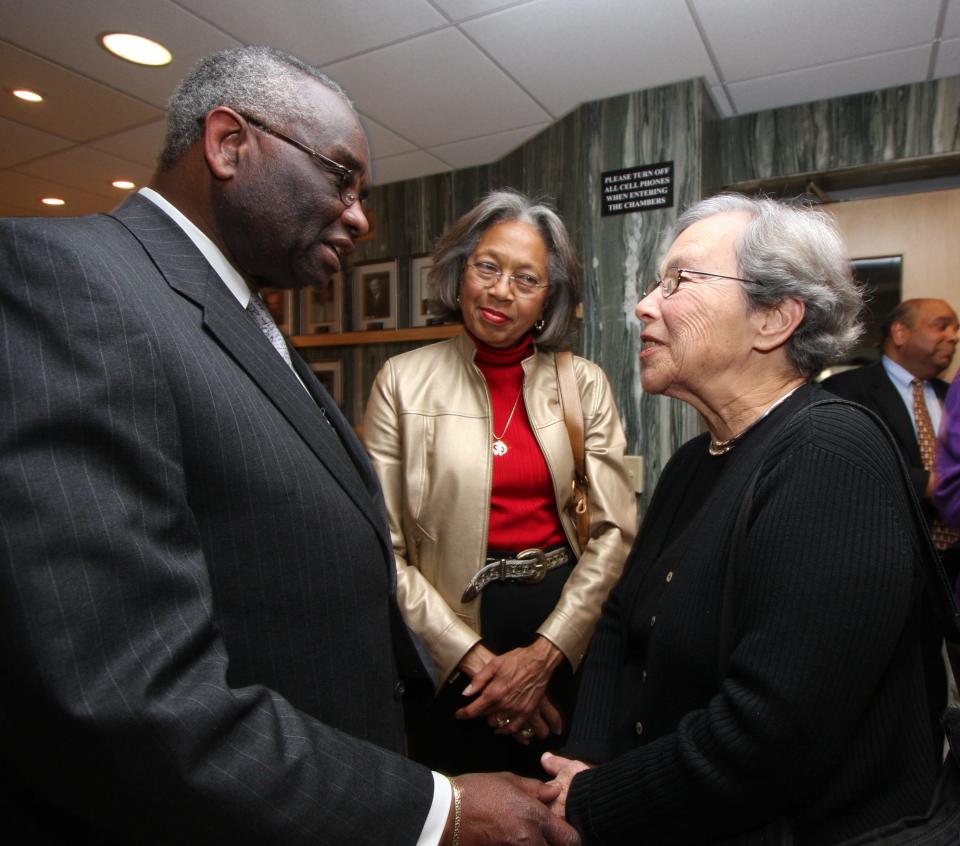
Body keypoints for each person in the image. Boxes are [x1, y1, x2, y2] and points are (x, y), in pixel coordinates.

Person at [0, 46, 578, 846]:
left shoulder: (241, 313)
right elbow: (123, 690)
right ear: (230, 143)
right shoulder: (70, 280)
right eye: (341, 177)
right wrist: (434, 811)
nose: (360, 214)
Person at [541, 194, 941, 844]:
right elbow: (618, 626)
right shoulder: (694, 461)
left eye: (678, 281)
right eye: (652, 283)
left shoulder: (832, 454)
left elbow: (772, 739)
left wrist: (592, 801)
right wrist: (583, 763)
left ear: (774, 319)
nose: (643, 305)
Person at [362, 190, 637, 777]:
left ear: (547, 301)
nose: (500, 290)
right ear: (462, 272)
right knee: (460, 810)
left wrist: (542, 658)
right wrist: (477, 664)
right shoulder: (401, 382)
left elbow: (614, 533)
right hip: (444, 637)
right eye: (487, 266)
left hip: (564, 626)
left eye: (526, 278)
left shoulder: (583, 385)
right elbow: (380, 549)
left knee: (558, 805)